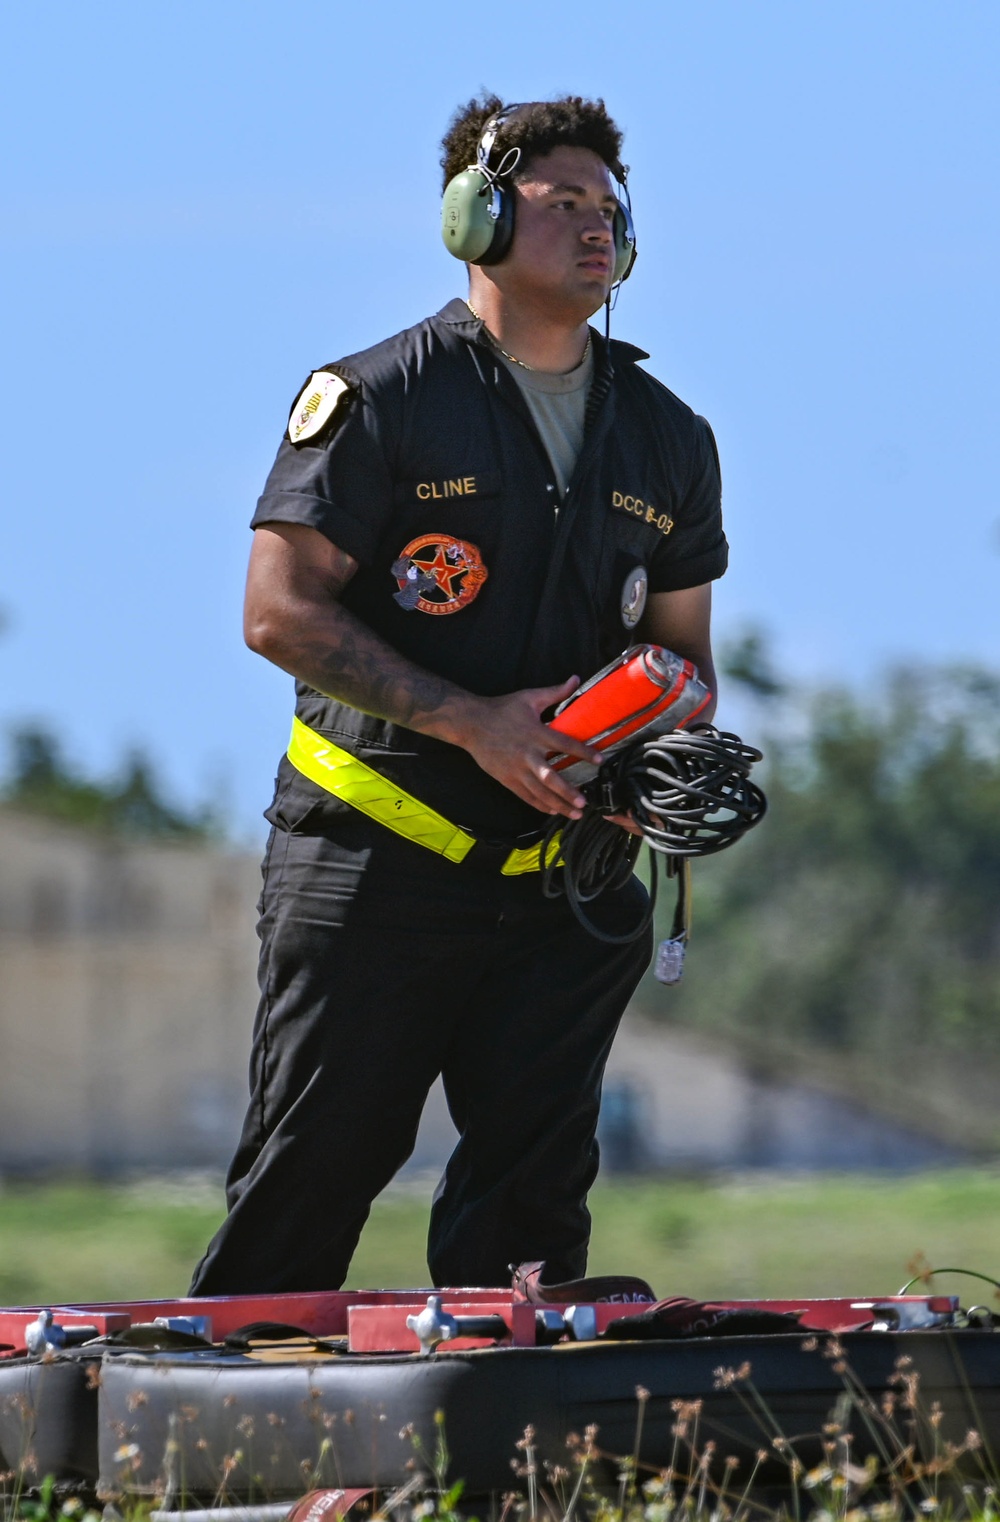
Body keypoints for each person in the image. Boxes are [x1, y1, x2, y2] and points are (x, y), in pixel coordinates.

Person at [190, 93, 727, 1296]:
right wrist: (469, 723)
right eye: (563, 202)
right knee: (312, 1173)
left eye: (610, 207)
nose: (598, 227)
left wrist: (644, 751)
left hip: (568, 890)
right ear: (476, 219)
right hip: (373, 866)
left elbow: (687, 659)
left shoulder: (669, 437)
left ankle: (511, 1467)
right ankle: (199, 1459)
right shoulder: (376, 398)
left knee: (533, 1218)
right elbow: (277, 611)